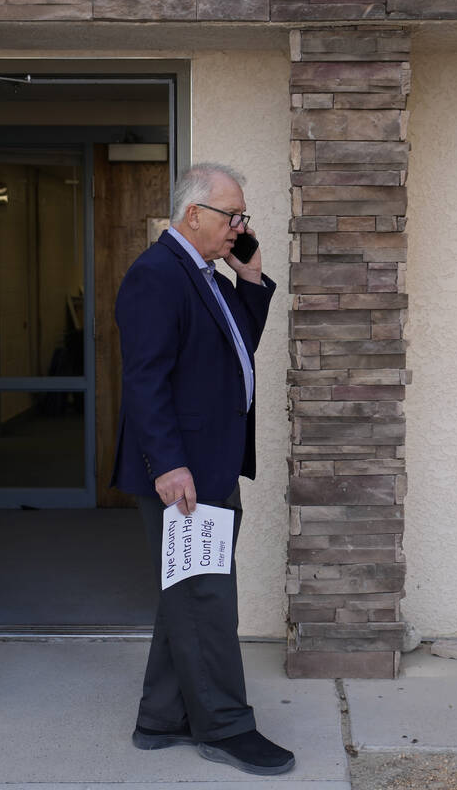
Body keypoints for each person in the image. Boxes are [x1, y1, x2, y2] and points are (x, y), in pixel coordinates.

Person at [110, 162, 294, 776]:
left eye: (243, 217)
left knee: (187, 592)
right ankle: (225, 727)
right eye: (232, 216)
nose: (240, 227)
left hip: (209, 465)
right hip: (181, 474)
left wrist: (251, 278)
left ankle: (161, 717)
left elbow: (236, 348)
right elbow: (144, 380)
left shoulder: (207, 275)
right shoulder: (157, 276)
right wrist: (167, 465)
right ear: (194, 215)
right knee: (205, 596)